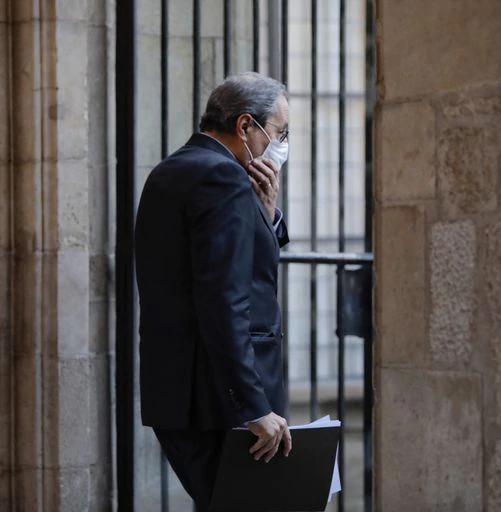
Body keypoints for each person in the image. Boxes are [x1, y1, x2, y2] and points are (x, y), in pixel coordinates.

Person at [135, 72, 293, 510]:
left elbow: (208, 271)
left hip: (183, 395)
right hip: (222, 400)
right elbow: (224, 300)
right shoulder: (223, 178)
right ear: (246, 126)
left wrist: (266, 212)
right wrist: (251, 407)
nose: (279, 145)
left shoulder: (173, 170)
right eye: (279, 132)